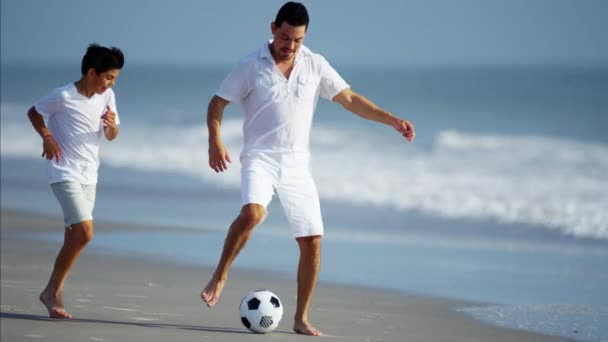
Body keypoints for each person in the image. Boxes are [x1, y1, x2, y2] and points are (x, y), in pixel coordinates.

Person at [200, 2, 414, 336]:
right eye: (285, 37)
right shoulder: (250, 65)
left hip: (298, 164)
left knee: (312, 240)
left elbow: (351, 99)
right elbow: (217, 102)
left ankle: (301, 318)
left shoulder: (315, 64)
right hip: (260, 157)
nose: (290, 45)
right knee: (254, 214)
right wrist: (215, 140)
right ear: (273, 28)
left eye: (297, 40)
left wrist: (392, 121)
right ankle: (221, 273)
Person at [27, 43, 124, 319]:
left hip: (90, 174)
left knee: (74, 237)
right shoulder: (64, 96)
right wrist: (47, 137)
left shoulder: (108, 97)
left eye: (115, 78)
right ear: (92, 72)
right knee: (85, 233)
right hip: (63, 172)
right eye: (108, 77)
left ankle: (52, 293)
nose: (112, 83)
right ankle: (51, 290)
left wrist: (111, 125)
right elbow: (34, 112)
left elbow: (112, 136)